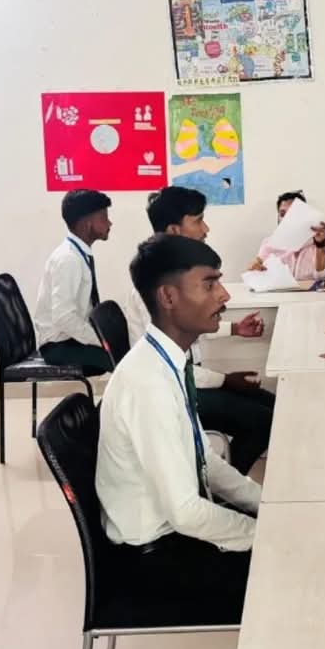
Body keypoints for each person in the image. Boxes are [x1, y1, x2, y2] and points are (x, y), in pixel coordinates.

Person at [96, 234, 259, 622]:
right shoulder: (147, 383)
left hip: (174, 531)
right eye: (209, 284)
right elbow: (185, 513)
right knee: (298, 569)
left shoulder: (167, 362)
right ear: (168, 297)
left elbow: (205, 459)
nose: (224, 295)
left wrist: (265, 505)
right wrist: (263, 534)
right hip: (155, 558)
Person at [125, 187, 275, 473]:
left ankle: (225, 481)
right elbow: (172, 366)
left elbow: (188, 325)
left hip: (190, 378)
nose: (206, 229)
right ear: (175, 230)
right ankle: (223, 484)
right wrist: (225, 380)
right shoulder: (156, 287)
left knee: (273, 406)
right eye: (198, 220)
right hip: (174, 391)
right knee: (263, 421)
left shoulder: (178, 272)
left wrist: (235, 328)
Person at [32, 188, 113, 373]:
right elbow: (63, 317)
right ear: (86, 223)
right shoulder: (68, 259)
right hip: (58, 347)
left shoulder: (78, 253)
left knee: (124, 351)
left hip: (71, 338)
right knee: (121, 359)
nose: (109, 223)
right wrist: (101, 341)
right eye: (103, 217)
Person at [248, 190, 325, 280]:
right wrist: (255, 268)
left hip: (315, 294)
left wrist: (320, 245)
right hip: (281, 294)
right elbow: (258, 267)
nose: (286, 219)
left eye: (292, 214)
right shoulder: (269, 243)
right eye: (282, 214)